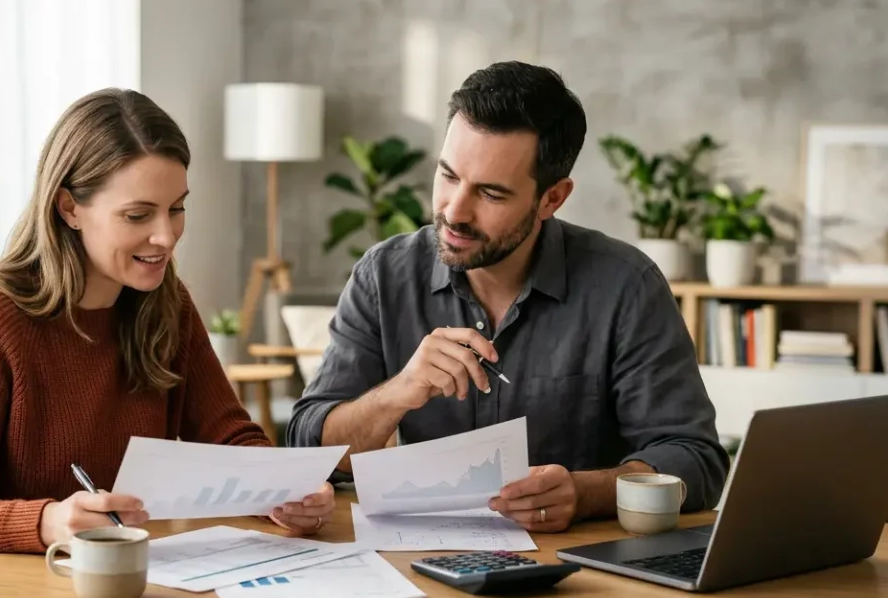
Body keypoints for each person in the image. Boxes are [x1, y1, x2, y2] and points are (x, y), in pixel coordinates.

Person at [0, 88, 335, 598]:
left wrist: (284, 489)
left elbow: (230, 434)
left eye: (177, 208)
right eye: (138, 215)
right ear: (69, 207)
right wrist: (50, 520)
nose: (167, 237)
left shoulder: (163, 304)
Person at [286, 61, 728, 533]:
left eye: (491, 194)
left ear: (552, 198)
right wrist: (396, 394)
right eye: (448, 176)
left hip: (582, 580)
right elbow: (309, 451)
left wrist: (585, 493)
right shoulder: (383, 275)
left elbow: (694, 459)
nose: (454, 212)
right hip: (417, 568)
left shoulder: (626, 286)